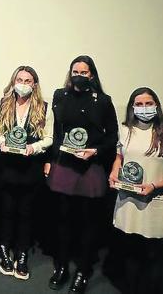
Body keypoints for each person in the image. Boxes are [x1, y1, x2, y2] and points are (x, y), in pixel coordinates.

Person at [46, 55, 118, 293]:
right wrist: (51, 159)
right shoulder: (60, 95)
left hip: (90, 166)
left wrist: (95, 151)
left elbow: (112, 136)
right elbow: (56, 131)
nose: (79, 76)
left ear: (91, 75)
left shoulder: (103, 101)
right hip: (64, 165)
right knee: (62, 218)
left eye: (84, 72)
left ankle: (83, 270)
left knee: (88, 222)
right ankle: (61, 266)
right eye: (75, 72)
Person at [109, 88, 163, 294]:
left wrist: (155, 185)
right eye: (139, 104)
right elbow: (119, 159)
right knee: (130, 252)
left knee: (154, 256)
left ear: (157, 106)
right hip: (128, 201)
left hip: (156, 204)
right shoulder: (125, 130)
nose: (144, 108)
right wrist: (114, 173)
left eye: (148, 104)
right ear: (132, 107)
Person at [0, 65, 53, 280]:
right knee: (7, 211)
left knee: (26, 213)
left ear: (34, 84)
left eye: (28, 81)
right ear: (13, 81)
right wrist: (0, 142)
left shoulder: (44, 107)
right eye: (19, 80)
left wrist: (34, 147)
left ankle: (22, 254)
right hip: (7, 166)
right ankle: (4, 249)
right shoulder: (4, 103)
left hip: (30, 168)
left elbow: (49, 138)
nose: (23, 84)